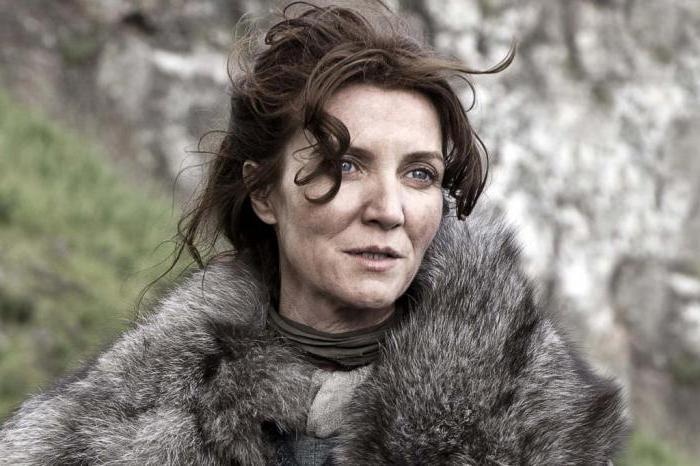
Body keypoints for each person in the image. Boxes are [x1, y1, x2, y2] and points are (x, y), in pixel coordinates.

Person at [0, 3, 628, 465]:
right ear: (264, 192)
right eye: (345, 165)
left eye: (419, 174)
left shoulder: (536, 430)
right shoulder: (109, 436)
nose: (389, 210)